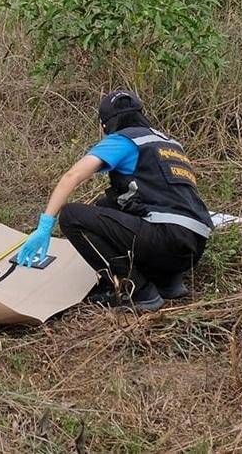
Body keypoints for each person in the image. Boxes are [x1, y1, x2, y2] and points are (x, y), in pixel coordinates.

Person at [16, 91, 212, 312]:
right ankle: (167, 281)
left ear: (105, 124)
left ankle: (136, 290)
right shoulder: (170, 144)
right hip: (194, 245)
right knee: (107, 206)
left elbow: (72, 176)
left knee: (72, 215)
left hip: (164, 238)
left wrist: (45, 225)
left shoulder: (123, 140)